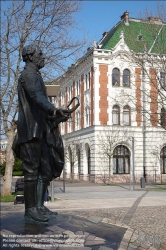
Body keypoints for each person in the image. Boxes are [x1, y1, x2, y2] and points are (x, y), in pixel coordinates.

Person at [13, 44, 70, 223]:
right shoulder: (28, 75)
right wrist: (54, 110)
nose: (43, 56)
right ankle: (30, 210)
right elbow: (36, 98)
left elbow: (41, 107)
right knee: (31, 171)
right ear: (30, 56)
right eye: (40, 54)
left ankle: (39, 205)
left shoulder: (36, 75)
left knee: (45, 170)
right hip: (30, 131)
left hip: (41, 130)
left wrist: (56, 116)